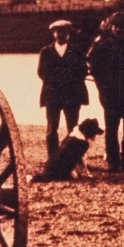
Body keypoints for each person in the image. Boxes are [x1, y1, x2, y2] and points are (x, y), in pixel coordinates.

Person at [86, 12, 124, 172]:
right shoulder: (103, 47)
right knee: (111, 131)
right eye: (116, 26)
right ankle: (113, 162)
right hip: (111, 96)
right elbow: (94, 70)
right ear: (112, 28)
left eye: (122, 27)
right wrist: (103, 89)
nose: (119, 29)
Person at [37, 19, 89, 159]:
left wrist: (69, 80)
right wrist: (58, 81)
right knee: (52, 129)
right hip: (52, 95)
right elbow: (41, 72)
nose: (61, 34)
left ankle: (73, 159)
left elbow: (83, 70)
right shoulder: (46, 52)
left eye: (64, 32)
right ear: (54, 34)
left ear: (68, 34)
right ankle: (53, 158)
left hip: (72, 95)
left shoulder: (77, 51)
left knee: (73, 129)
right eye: (58, 32)